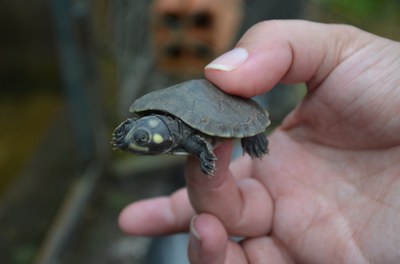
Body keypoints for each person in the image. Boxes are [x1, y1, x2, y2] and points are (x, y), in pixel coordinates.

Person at [118, 20, 400, 263]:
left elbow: (197, 141)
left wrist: (205, 152)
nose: (135, 137)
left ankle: (254, 134)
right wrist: (130, 134)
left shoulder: (187, 134)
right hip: (182, 103)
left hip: (220, 104)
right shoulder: (152, 119)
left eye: (141, 137)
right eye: (138, 134)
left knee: (226, 146)